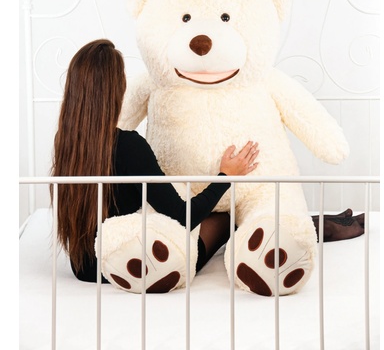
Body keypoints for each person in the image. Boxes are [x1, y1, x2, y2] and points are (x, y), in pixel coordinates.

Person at [50, 39, 259, 286]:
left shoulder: (65, 143)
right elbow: (182, 217)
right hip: (137, 264)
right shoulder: (127, 145)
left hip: (84, 268)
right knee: (225, 218)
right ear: (117, 90)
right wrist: (225, 176)